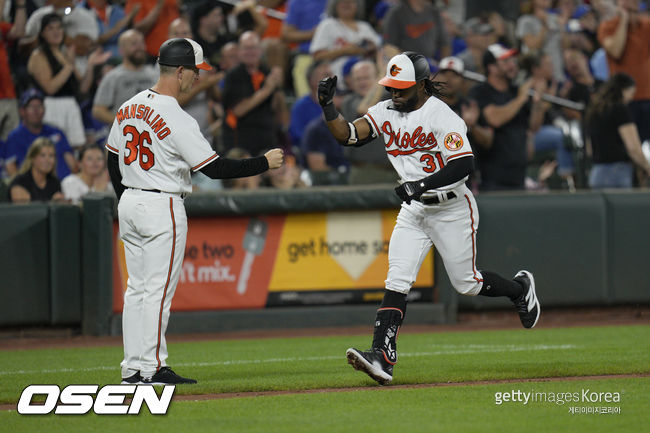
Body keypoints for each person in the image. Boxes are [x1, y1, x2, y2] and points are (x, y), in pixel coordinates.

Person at [317, 51, 540, 385]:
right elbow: (348, 135)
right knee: (397, 279)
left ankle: (519, 288)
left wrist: (419, 184)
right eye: (391, 87)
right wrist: (328, 107)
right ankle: (382, 357)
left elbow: (464, 164)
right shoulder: (386, 109)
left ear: (421, 85)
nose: (394, 94)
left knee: (466, 283)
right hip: (415, 209)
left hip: (451, 208)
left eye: (401, 88)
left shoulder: (442, 115)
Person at [106, 38, 284, 385]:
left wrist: (125, 197)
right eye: (195, 72)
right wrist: (263, 162)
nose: (197, 79)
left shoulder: (129, 106)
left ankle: (133, 368)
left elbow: (113, 158)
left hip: (130, 201)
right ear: (182, 71)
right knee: (157, 290)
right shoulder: (176, 116)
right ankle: (153, 367)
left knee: (137, 290)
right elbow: (215, 168)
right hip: (162, 204)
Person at [467, 44, 549, 191]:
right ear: (491, 67)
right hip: (492, 177)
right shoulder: (481, 92)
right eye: (505, 62)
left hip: (519, 174)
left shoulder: (515, 91)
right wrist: (521, 98)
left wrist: (538, 103)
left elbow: (533, 126)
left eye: (513, 61)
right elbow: (494, 119)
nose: (512, 65)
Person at [221, 31, 287, 156]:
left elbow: (276, 108)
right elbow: (238, 110)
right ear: (239, 51)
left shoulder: (267, 72)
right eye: (246, 48)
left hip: (267, 140)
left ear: (261, 51)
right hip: (240, 145)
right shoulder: (233, 75)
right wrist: (267, 90)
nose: (250, 52)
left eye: (254, 48)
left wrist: (278, 86)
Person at [26, 13, 87, 148]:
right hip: (51, 106)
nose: (56, 32)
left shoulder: (63, 53)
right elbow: (50, 88)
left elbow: (82, 87)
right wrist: (69, 65)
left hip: (71, 104)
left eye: (59, 28)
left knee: (77, 147)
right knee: (54, 148)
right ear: (42, 33)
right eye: (50, 28)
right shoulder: (38, 55)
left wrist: (92, 65)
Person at [585, 73, 650, 188]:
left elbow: (589, 150)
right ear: (623, 90)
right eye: (631, 93)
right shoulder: (620, 110)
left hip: (596, 174)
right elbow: (633, 148)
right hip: (617, 174)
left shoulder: (594, 112)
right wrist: (647, 167)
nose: (631, 98)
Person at [598, 0, 650, 142]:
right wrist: (624, 22)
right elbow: (616, 51)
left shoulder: (646, 25)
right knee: (627, 148)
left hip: (646, 96)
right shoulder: (608, 27)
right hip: (622, 99)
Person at [5, 88, 77, 180]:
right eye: (31, 106)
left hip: (65, 183)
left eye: (39, 106)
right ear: (22, 111)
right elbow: (10, 167)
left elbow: (72, 163)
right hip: (34, 188)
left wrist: (74, 183)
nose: (36, 110)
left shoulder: (56, 132)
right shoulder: (14, 137)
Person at [309, 0, 381, 91]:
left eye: (351, 2)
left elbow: (380, 49)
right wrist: (345, 51)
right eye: (342, 1)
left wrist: (369, 49)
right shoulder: (328, 24)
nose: (347, 4)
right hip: (337, 81)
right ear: (335, 5)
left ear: (357, 6)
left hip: (367, 80)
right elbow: (317, 56)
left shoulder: (364, 26)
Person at [92, 29, 158, 126]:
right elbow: (97, 110)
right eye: (134, 44)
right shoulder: (113, 77)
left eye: (141, 43)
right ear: (121, 50)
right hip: (124, 137)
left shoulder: (155, 75)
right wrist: (123, 123)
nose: (139, 47)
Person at [8, 136, 64, 202]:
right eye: (43, 155)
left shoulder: (55, 183)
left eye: (51, 156)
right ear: (32, 158)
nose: (47, 160)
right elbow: (24, 210)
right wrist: (52, 203)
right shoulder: (19, 182)